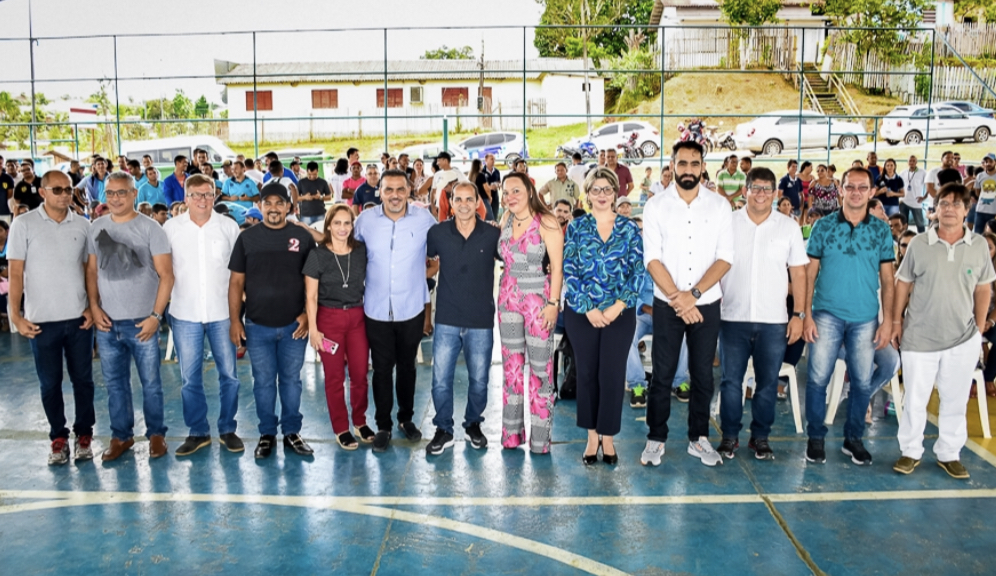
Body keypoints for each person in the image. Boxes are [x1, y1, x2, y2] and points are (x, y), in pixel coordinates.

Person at [640, 140, 733, 468]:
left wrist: (691, 296)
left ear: (703, 166)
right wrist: (678, 300)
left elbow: (725, 258)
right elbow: (652, 259)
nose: (689, 169)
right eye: (682, 163)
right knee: (662, 374)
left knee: (703, 375)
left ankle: (699, 438)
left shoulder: (719, 206)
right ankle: (656, 438)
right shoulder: (656, 206)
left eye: (695, 163)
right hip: (667, 305)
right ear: (672, 165)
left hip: (705, 303)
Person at [892, 183, 994, 479]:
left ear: (967, 209)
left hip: (962, 339)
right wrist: (897, 321)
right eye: (944, 203)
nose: (949, 209)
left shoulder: (979, 246)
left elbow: (983, 288)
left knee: (955, 399)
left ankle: (949, 453)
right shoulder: (919, 244)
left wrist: (978, 328)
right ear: (935, 209)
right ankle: (910, 451)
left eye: (956, 204)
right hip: (919, 337)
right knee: (914, 398)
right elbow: (903, 284)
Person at [802, 167, 895, 466]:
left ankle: (853, 439)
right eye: (850, 186)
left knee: (862, 382)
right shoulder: (823, 227)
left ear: (871, 192)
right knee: (817, 379)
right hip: (826, 314)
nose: (856, 192)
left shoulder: (881, 230)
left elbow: (888, 280)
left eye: (862, 187)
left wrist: (888, 321)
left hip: (865, 318)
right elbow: (810, 273)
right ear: (840, 189)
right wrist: (805, 314)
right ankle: (815, 438)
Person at [717, 167, 809, 461]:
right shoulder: (728, 223)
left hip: (774, 321)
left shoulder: (788, 227)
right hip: (732, 318)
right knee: (731, 382)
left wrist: (799, 315)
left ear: (775, 193)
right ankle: (729, 437)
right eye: (755, 188)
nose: (760, 194)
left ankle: (760, 438)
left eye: (767, 188)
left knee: (767, 383)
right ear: (745, 191)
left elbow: (799, 273)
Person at [7, 170, 96, 465]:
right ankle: (58, 437)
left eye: (68, 189)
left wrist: (91, 307)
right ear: (43, 192)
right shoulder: (23, 224)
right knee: (50, 384)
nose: (65, 195)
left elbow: (89, 270)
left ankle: (84, 435)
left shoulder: (83, 225)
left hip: (79, 319)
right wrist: (16, 315)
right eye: (57, 190)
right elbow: (15, 273)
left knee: (83, 381)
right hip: (40, 322)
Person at [86, 171, 174, 461]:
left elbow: (166, 275)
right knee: (114, 385)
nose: (115, 198)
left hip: (142, 322)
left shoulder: (151, 229)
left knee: (151, 384)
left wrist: (155, 316)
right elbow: (91, 271)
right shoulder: (96, 227)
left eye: (121, 192)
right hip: (107, 324)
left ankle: (156, 434)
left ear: (134, 194)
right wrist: (94, 306)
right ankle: (121, 436)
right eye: (110, 193)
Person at [563, 168, 644, 465]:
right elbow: (569, 269)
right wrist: (589, 307)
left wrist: (617, 306)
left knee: (611, 374)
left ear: (615, 192)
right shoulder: (577, 227)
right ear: (587, 194)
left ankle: (608, 437)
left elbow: (638, 270)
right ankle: (591, 436)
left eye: (607, 189)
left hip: (619, 313)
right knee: (586, 374)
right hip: (582, 312)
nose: (601, 194)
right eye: (595, 189)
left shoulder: (629, 228)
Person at [228, 183, 315, 459]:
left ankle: (291, 432)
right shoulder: (247, 238)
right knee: (263, 382)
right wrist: (235, 320)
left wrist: (307, 314)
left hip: (294, 327)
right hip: (257, 326)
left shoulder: (301, 237)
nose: (274, 208)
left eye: (280, 203)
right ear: (260, 206)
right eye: (268, 203)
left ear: (289, 206)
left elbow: (312, 280)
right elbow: (236, 282)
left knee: (291, 381)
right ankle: (267, 433)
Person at [353, 169, 437, 452]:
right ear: (380, 192)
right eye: (388, 189)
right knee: (381, 369)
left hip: (410, 307)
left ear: (409, 191)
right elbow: (346, 250)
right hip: (376, 309)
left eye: (401, 189)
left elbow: (442, 249)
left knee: (407, 367)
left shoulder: (424, 219)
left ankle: (405, 418)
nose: (395, 195)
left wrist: (423, 278)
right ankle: (383, 425)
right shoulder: (365, 221)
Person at [164, 174, 243, 456]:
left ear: (215, 196)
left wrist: (238, 314)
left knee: (229, 375)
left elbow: (239, 272)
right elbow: (163, 270)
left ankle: (227, 428)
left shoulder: (228, 227)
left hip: (222, 313)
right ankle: (198, 431)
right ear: (186, 198)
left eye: (208, 194)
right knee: (190, 378)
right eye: (196, 194)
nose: (202, 199)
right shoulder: (171, 228)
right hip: (185, 313)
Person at [423, 181, 500, 455]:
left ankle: (473, 424)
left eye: (469, 199)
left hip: (481, 320)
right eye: (458, 199)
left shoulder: (492, 234)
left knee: (479, 380)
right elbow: (425, 261)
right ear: (451, 203)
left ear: (478, 202)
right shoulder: (438, 233)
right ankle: (444, 429)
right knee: (440, 379)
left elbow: (516, 256)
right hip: (447, 318)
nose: (464, 204)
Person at [497, 172, 564, 453]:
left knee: (540, 370)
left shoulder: (547, 221)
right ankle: (511, 436)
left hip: (538, 301)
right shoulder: (506, 219)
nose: (510, 196)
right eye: (506, 192)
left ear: (529, 191)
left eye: (516, 190)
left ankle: (540, 441)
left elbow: (557, 268)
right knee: (512, 369)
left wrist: (553, 304)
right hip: (507, 299)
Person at [304, 204, 375, 450]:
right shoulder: (317, 255)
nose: (342, 228)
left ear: (353, 226)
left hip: (357, 317)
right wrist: (314, 330)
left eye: (347, 223)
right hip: (328, 319)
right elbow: (311, 296)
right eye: (337, 223)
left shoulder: (361, 251)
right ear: (328, 226)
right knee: (334, 377)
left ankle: (360, 421)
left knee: (360, 374)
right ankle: (341, 428)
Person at [900, 155, 927, 233]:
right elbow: (899, 186)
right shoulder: (903, 172)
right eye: (910, 161)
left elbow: (928, 185)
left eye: (913, 161)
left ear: (916, 162)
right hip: (904, 201)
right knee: (903, 224)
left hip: (916, 202)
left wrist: (924, 197)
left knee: (920, 223)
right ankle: (903, 238)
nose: (912, 162)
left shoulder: (923, 172)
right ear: (907, 162)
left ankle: (921, 238)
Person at [973, 153, 996, 234]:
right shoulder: (980, 176)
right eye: (986, 162)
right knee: (978, 233)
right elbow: (977, 191)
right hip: (980, 210)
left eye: (990, 161)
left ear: (995, 162)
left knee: (992, 235)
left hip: (993, 211)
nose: (988, 164)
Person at [482, 153, 503, 218]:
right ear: (486, 160)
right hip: (485, 197)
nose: (493, 161)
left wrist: (498, 185)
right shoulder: (482, 172)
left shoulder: (496, 171)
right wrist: (489, 187)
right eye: (491, 159)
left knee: (495, 214)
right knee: (487, 216)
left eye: (494, 159)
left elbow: (499, 181)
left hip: (495, 196)